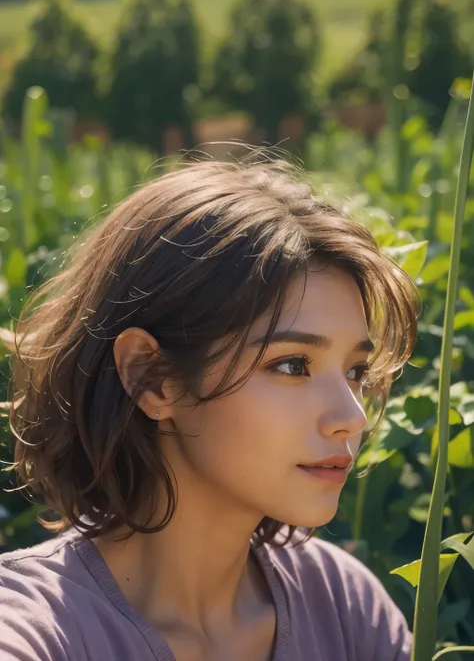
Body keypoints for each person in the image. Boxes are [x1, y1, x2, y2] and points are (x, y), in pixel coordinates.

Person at [0, 154, 419, 661]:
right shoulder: (35, 630)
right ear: (151, 379)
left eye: (354, 371)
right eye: (292, 366)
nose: (352, 417)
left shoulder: (344, 608)